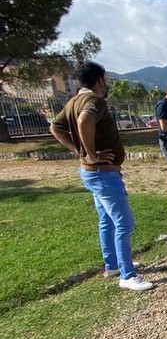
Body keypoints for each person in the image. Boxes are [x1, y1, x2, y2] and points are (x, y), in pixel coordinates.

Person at [49, 61, 153, 291]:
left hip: (90, 172)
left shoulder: (73, 101)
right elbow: (84, 120)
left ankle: (113, 264)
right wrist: (91, 154)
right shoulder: (94, 101)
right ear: (99, 80)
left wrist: (79, 152)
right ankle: (127, 275)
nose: (106, 85)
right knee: (124, 223)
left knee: (106, 220)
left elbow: (55, 128)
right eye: (105, 80)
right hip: (103, 173)